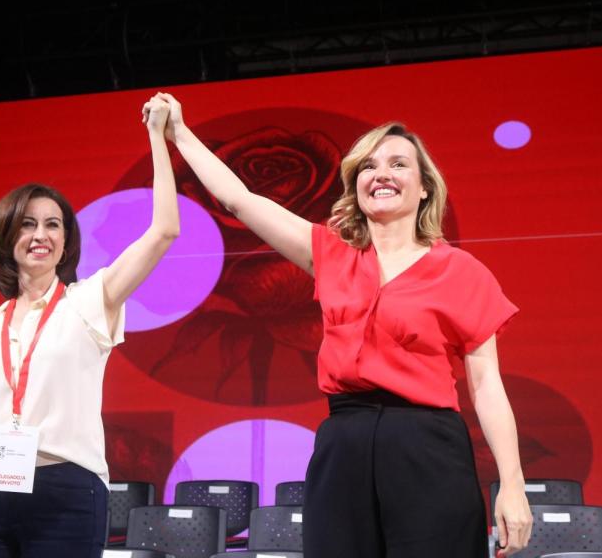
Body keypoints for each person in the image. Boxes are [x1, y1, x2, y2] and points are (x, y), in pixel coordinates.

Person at [156, 92, 533, 557]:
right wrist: (179, 133)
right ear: (356, 186)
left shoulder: (461, 271)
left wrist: (512, 484)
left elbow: (487, 383)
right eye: (369, 166)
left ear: (424, 188)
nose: (382, 174)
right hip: (344, 443)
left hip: (427, 447)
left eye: (398, 164)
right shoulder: (331, 254)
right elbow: (239, 200)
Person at [0, 94, 180, 558]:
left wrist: (157, 137)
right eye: (28, 224)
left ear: (66, 242)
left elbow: (164, 230)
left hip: (68, 494)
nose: (41, 235)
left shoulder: (91, 301)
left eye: (53, 225)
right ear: (7, 237)